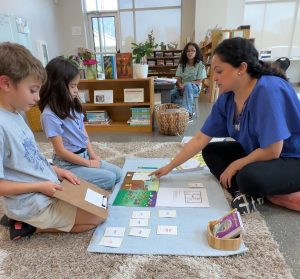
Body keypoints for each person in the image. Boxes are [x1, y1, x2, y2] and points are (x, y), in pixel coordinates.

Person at [153, 37, 300, 214]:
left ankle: (265, 192)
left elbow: (273, 150)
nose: (213, 78)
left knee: (248, 176)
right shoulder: (228, 96)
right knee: (211, 151)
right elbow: (200, 138)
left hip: (290, 158)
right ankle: (245, 193)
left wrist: (236, 164)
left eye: (219, 71)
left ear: (241, 69)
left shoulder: (268, 90)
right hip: (259, 154)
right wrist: (170, 166)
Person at [0, 42, 104, 240]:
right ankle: (28, 225)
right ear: (6, 84)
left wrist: (59, 171)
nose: (38, 98)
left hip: (47, 188)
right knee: (96, 218)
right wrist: (39, 186)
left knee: (98, 202)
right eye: (32, 90)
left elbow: (32, 158)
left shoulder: (16, 114)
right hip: (32, 202)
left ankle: (28, 217)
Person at [39, 57, 122, 190]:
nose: (76, 90)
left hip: (84, 156)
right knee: (110, 179)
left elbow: (83, 131)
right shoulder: (49, 115)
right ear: (57, 87)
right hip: (67, 164)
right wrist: (88, 163)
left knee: (118, 174)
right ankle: (65, 181)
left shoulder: (72, 104)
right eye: (72, 86)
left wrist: (92, 155)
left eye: (77, 85)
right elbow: (60, 152)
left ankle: (82, 177)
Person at [170, 42, 207, 121]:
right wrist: (180, 85)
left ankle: (187, 113)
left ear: (196, 52)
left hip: (194, 88)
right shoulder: (181, 65)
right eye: (188, 51)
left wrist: (186, 84)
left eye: (192, 50)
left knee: (188, 86)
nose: (190, 52)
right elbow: (178, 79)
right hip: (182, 87)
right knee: (169, 93)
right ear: (185, 53)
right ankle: (173, 112)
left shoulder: (200, 65)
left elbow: (199, 81)